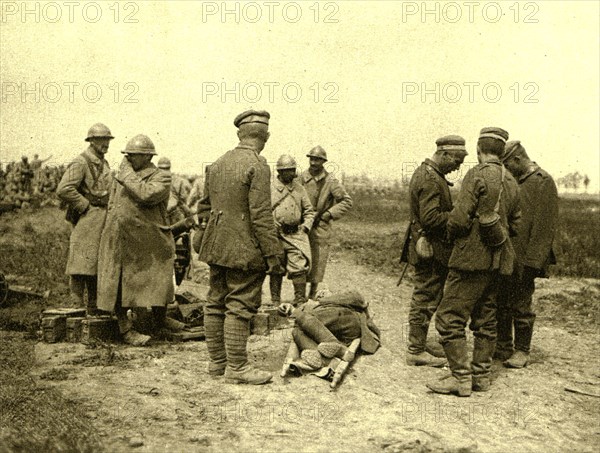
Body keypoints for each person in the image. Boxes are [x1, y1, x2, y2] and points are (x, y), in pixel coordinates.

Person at [427, 127, 521, 396]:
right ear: (501, 151)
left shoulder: (476, 175)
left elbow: (457, 220)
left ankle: (460, 377)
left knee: (448, 318)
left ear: (479, 150)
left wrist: (456, 234)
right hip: (498, 261)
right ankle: (480, 376)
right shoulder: (512, 180)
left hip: (470, 260)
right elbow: (516, 224)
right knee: (485, 319)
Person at [197, 110, 284, 384]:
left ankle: (217, 364)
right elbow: (261, 216)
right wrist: (273, 253)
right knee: (240, 305)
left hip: (217, 245)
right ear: (266, 136)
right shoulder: (258, 166)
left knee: (215, 302)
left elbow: (204, 207)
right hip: (244, 249)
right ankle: (237, 367)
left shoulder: (218, 163)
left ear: (239, 134)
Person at [97, 134, 175, 346]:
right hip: (122, 239)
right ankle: (126, 329)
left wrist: (127, 174)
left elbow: (146, 194)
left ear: (148, 156)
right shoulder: (123, 176)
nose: (129, 158)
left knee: (155, 282)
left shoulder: (161, 177)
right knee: (120, 285)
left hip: (148, 242)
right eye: (128, 155)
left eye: (134, 155)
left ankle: (157, 321)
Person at [406, 135, 468, 367]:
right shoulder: (431, 179)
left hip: (429, 246)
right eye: (456, 161)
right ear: (443, 155)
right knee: (425, 296)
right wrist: (459, 215)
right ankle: (415, 349)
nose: (457, 167)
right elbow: (431, 219)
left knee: (429, 295)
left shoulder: (428, 174)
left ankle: (419, 344)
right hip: (430, 249)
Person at [496, 140, 558, 367]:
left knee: (521, 303)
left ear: (517, 160)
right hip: (506, 255)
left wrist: (533, 262)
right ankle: (502, 346)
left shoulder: (544, 182)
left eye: (507, 165)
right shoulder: (512, 181)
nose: (506, 170)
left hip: (526, 259)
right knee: (501, 301)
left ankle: (522, 350)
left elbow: (545, 228)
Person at [57, 123, 113, 315]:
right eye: (101, 140)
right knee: (81, 265)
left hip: (103, 219)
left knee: (97, 265)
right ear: (91, 140)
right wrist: (85, 206)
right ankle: (77, 309)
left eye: (108, 140)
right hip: (88, 220)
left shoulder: (103, 163)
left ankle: (95, 309)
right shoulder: (80, 162)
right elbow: (64, 188)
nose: (106, 144)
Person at [279, 290, 381, 373]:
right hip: (336, 333)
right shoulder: (310, 305)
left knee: (305, 319)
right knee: (296, 331)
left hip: (348, 320)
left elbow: (358, 297)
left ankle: (336, 347)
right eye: (319, 294)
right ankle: (322, 357)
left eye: (324, 292)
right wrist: (288, 309)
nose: (321, 294)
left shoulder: (340, 299)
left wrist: (320, 302)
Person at [300, 146, 353, 299]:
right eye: (311, 158)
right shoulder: (301, 178)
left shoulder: (330, 180)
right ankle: (300, 296)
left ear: (323, 162)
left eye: (317, 159)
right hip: (303, 225)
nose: (313, 162)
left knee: (317, 262)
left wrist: (329, 214)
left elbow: (346, 201)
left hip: (320, 228)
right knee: (300, 260)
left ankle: (312, 294)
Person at [269, 154, 315, 306]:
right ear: (280, 172)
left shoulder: (299, 189)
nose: (292, 173)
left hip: (295, 235)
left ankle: (300, 300)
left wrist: (306, 226)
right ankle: (275, 300)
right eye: (288, 170)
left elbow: (309, 210)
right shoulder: (270, 188)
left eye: (293, 170)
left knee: (299, 267)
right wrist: (270, 224)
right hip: (276, 235)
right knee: (276, 267)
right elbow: (262, 210)